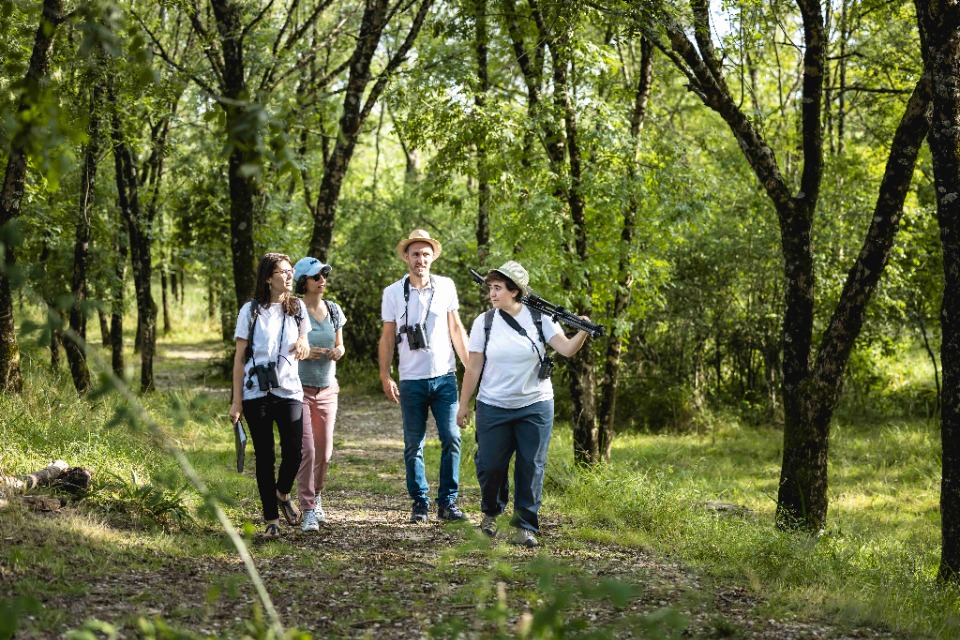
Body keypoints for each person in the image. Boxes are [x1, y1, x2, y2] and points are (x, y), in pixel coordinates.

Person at [456, 261, 591, 548]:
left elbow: (565, 349)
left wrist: (583, 331)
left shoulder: (541, 318)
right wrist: (463, 403)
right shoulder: (485, 322)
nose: (492, 294)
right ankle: (491, 514)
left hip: (535, 404)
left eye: (498, 288)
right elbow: (474, 366)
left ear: (515, 291)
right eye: (490, 288)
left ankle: (525, 526)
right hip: (493, 405)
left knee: (531, 466)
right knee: (490, 465)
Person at [379, 229, 471, 523]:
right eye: (416, 254)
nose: (421, 259)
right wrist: (385, 374)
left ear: (433, 257)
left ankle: (448, 504)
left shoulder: (446, 286)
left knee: (452, 438)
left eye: (426, 254)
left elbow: (456, 329)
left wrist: (472, 368)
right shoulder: (393, 292)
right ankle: (420, 504)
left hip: (444, 377)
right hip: (410, 380)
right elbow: (387, 337)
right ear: (406, 257)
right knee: (413, 444)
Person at [229, 252, 310, 539]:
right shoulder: (250, 311)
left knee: (294, 451)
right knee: (264, 457)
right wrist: (236, 401)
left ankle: (282, 492)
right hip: (256, 393)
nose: (289, 276)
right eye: (283, 272)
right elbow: (239, 358)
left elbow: (305, 341)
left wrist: (302, 341)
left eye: (290, 271)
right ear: (268, 278)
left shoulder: (297, 308)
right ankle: (271, 520)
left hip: (289, 390)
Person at [292, 257, 347, 533]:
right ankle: (308, 509)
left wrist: (339, 351)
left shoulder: (334, 310)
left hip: (327, 388)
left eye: (324, 274)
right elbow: (283, 346)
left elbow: (340, 344)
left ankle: (318, 493)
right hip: (298, 389)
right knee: (308, 451)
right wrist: (302, 351)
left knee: (324, 453)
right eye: (316, 276)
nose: (322, 279)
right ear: (304, 282)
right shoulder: (293, 310)